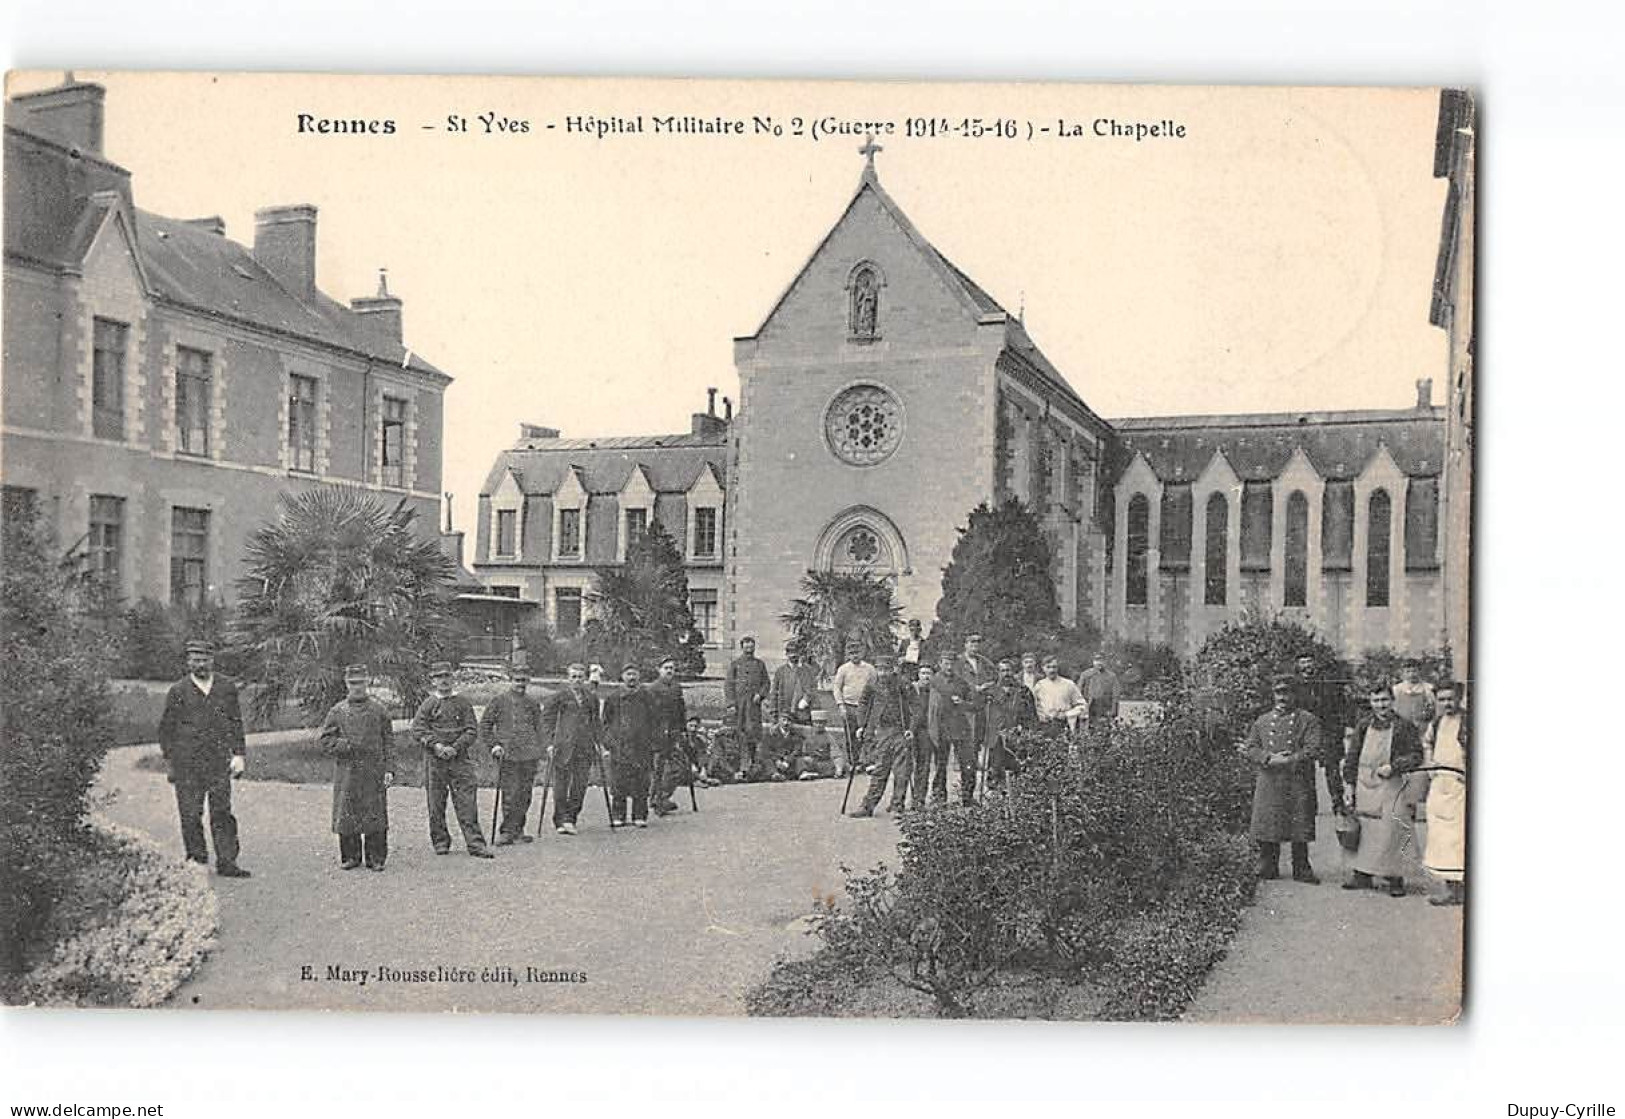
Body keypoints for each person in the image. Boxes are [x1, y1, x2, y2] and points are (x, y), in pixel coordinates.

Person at [157, 640, 251, 878]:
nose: (200, 664)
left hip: (218, 761)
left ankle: (227, 861)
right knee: (190, 813)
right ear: (188, 662)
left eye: (204, 659)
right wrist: (170, 761)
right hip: (187, 764)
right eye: (195, 659)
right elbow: (166, 729)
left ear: (212, 660)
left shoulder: (226, 687)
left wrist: (239, 754)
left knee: (222, 812)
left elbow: (235, 722)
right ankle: (197, 861)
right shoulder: (178, 691)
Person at [1341, 681, 1425, 897]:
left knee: (1393, 827)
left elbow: (1417, 756)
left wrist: (1394, 766)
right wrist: (1349, 784)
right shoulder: (1363, 725)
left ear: (1392, 701)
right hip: (1364, 783)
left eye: (1385, 700)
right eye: (1376, 700)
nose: (1381, 705)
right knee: (1367, 829)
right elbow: (1352, 756)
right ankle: (1362, 875)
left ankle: (1395, 877)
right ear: (1370, 702)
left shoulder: (1404, 726)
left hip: (1391, 783)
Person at [1239, 674, 1323, 883]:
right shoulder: (1263, 721)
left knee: (1299, 821)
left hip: (1297, 779)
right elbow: (1251, 747)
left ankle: (1301, 867)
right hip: (1269, 779)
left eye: (1287, 692)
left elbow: (1313, 748)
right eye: (1279, 692)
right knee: (1269, 820)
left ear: (1295, 694)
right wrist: (1269, 758)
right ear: (1273, 695)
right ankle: (1268, 864)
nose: (1282, 697)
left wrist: (1289, 760)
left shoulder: (1308, 720)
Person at [413, 662, 493, 858]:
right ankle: (440, 842)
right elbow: (417, 730)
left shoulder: (463, 703)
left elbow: (472, 730)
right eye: (439, 677)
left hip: (460, 759)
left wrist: (456, 747)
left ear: (453, 678)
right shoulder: (429, 704)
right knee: (436, 803)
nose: (444, 681)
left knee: (467, 802)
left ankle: (475, 844)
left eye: (447, 676)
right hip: (435, 760)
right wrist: (436, 745)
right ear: (433, 680)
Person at [320, 664, 394, 871]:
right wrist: (341, 745)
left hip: (373, 768)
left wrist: (390, 769)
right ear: (346, 684)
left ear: (368, 682)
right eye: (353, 683)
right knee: (347, 811)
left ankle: (375, 857)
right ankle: (350, 856)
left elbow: (389, 741)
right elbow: (326, 740)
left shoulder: (379, 710)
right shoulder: (338, 711)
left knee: (374, 812)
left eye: (361, 682)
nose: (357, 687)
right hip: (348, 770)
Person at [479, 664, 545, 844]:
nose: (520, 684)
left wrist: (542, 749)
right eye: (517, 680)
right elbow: (485, 726)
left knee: (525, 794)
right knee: (510, 793)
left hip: (529, 755)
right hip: (507, 755)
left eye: (524, 680)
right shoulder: (499, 701)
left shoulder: (532, 703)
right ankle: (507, 831)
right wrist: (494, 745)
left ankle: (518, 829)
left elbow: (540, 728)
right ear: (510, 680)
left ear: (529, 681)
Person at [848, 653, 915, 818]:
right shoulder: (872, 684)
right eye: (880, 669)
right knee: (880, 769)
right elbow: (863, 704)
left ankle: (897, 805)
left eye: (886, 669)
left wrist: (911, 728)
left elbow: (916, 707)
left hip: (900, 730)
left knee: (901, 770)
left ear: (893, 669)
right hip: (882, 730)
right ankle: (868, 806)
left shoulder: (903, 684)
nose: (883, 673)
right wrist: (861, 725)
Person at [540, 662, 603, 835]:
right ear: (568, 678)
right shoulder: (558, 697)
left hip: (584, 747)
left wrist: (599, 743)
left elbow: (596, 722)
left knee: (580, 785)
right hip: (563, 747)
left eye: (580, 677)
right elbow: (547, 722)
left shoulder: (591, 698)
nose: (576, 680)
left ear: (584, 678)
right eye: (573, 677)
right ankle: (560, 819)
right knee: (560, 786)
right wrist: (550, 743)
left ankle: (571, 818)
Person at [1422, 682, 1468, 906]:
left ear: (1459, 698)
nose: (1447, 703)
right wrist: (1430, 765)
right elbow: (1427, 743)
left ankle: (1462, 889)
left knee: (1458, 836)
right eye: (1442, 699)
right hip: (1440, 784)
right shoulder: (1437, 722)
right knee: (1441, 836)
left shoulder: (1468, 721)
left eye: (1451, 698)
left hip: (1460, 785)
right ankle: (1450, 888)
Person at [602, 663, 659, 827]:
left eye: (634, 674)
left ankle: (639, 815)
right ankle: (618, 815)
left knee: (641, 782)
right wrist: (609, 742)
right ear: (622, 676)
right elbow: (605, 722)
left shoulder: (647, 697)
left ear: (639, 676)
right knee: (619, 782)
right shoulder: (613, 698)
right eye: (628, 674)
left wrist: (652, 742)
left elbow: (655, 721)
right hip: (620, 746)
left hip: (642, 746)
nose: (631, 678)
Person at [1296, 654, 1350, 817]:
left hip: (1327, 731)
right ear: (1298, 666)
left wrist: (1339, 730)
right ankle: (1309, 806)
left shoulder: (1327, 683)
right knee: (1305, 770)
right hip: (1305, 733)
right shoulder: (1295, 686)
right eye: (1302, 663)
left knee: (1332, 768)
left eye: (1309, 662)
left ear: (1315, 664)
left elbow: (1340, 706)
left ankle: (1338, 803)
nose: (1306, 666)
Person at [927, 649, 975, 806]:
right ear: (940, 664)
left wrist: (963, 703)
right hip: (940, 727)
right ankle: (939, 797)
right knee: (941, 765)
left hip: (960, 727)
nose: (949, 667)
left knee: (967, 763)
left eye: (951, 663)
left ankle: (967, 796)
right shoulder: (933, 681)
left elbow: (974, 705)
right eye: (946, 663)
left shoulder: (962, 683)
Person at [984, 657, 1038, 791]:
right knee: (995, 768)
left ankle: (1017, 798)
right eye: (1002, 671)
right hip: (995, 736)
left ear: (1013, 671)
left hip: (1016, 736)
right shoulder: (991, 690)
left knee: (1017, 768)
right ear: (998, 672)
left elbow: (1031, 714)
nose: (1006, 674)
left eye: (1008, 670)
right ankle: (996, 800)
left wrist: (1027, 732)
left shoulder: (1023, 690)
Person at [646, 655, 690, 816]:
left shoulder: (677, 688)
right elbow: (648, 714)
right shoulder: (652, 689)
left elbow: (681, 710)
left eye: (672, 668)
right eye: (666, 668)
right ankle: (656, 800)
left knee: (680, 767)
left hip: (673, 734)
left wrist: (684, 730)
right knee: (658, 769)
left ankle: (662, 796)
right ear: (659, 670)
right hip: (657, 735)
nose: (670, 671)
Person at [724, 635, 771, 773]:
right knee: (739, 730)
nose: (749, 649)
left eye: (751, 647)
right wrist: (731, 704)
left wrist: (760, 694)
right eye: (746, 646)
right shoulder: (735, 664)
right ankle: (739, 761)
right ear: (742, 647)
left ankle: (753, 761)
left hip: (753, 705)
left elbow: (766, 683)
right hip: (739, 705)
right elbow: (728, 685)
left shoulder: (760, 664)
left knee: (753, 731)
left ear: (754, 648)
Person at [831, 641, 877, 775]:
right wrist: (840, 705)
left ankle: (868, 762)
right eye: (851, 653)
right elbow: (837, 688)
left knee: (867, 734)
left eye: (857, 653)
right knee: (851, 736)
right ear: (848, 655)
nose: (855, 656)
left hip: (866, 707)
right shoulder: (843, 669)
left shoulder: (870, 669)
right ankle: (853, 762)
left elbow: (875, 687)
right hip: (849, 705)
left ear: (862, 653)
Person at [1032, 655, 1088, 736]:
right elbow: (1036, 706)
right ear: (1043, 668)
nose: (1052, 670)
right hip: (1045, 726)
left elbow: (1082, 705)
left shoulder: (1069, 684)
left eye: (1054, 667)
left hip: (1065, 725)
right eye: (1048, 667)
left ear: (1058, 668)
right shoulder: (1039, 686)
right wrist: (1042, 716)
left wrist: (1067, 714)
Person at [905, 662, 936, 808]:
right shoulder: (911, 689)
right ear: (918, 675)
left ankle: (919, 798)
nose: (926, 676)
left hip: (927, 731)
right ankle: (898, 800)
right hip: (911, 730)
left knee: (923, 765)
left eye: (928, 673)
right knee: (906, 765)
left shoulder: (935, 692)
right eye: (923, 673)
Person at [1392, 661, 1437, 729]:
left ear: (1419, 671)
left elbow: (1434, 708)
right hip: (1402, 727)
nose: (1411, 674)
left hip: (1423, 726)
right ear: (1403, 673)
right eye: (1408, 671)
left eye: (1414, 671)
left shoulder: (1428, 688)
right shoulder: (1396, 689)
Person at [1080, 651, 1122, 722]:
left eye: (1102, 660)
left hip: (1105, 709)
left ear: (1105, 662)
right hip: (1089, 708)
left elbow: (1116, 695)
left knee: (1105, 730)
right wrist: (1081, 709)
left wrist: (1113, 711)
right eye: (1097, 660)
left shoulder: (1112, 676)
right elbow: (1079, 693)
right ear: (1093, 662)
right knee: (1088, 730)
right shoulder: (1085, 675)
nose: (1099, 663)